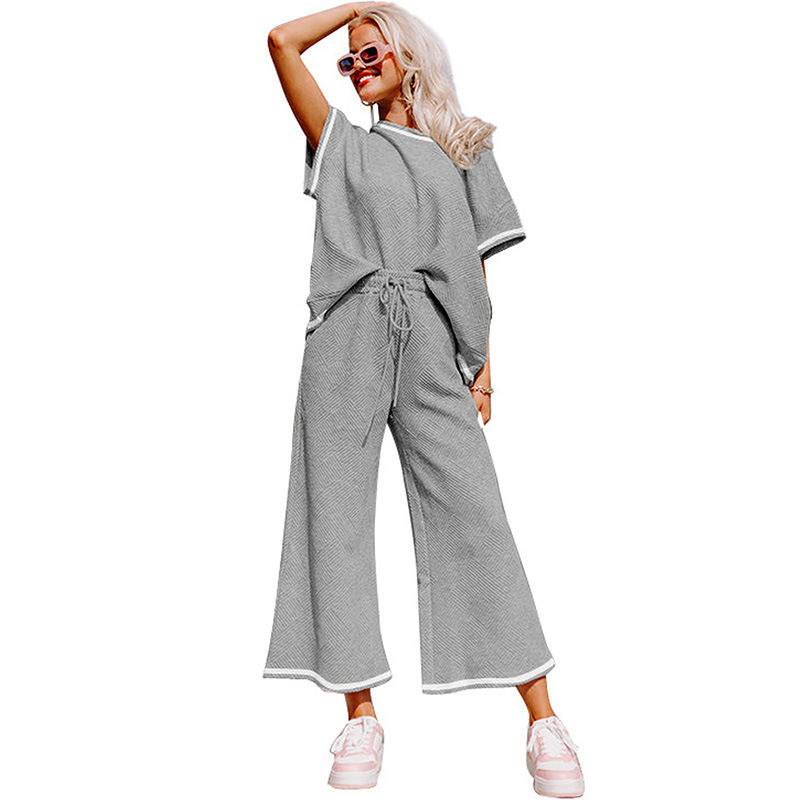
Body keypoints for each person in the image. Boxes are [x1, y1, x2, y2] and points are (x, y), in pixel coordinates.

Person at [264, 4, 585, 796]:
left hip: (436, 344)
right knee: (333, 518)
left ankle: (543, 719)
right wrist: (356, 10)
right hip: (345, 336)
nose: (356, 68)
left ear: (408, 57)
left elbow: (476, 267)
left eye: (370, 53)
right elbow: (280, 42)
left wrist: (483, 367)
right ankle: (360, 715)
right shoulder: (340, 141)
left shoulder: (466, 144)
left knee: (478, 516)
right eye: (348, 60)